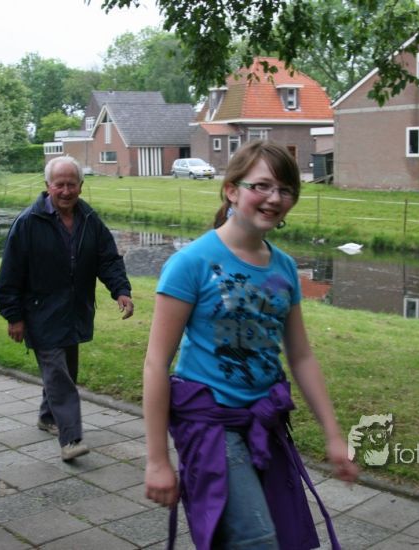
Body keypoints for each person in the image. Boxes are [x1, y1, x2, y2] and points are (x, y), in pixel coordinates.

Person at [142, 140, 358, 549]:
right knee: (257, 540)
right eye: (261, 186)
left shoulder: (285, 268)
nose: (275, 198)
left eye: (286, 189)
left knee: (286, 537)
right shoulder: (191, 263)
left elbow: (301, 356)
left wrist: (333, 434)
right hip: (211, 425)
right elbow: (156, 363)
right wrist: (156, 460)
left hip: (265, 421)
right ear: (231, 190)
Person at [0, 156, 134, 462]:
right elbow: (10, 273)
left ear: (81, 186)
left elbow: (108, 259)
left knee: (66, 371)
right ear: (48, 186)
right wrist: (13, 316)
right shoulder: (28, 222)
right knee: (58, 374)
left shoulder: (89, 220)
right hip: (40, 313)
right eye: (60, 185)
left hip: (75, 311)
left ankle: (48, 416)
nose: (66, 191)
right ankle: (70, 438)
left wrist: (121, 291)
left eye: (72, 184)